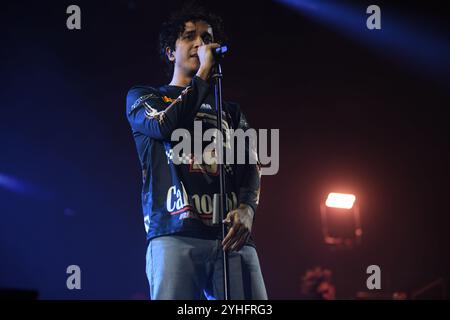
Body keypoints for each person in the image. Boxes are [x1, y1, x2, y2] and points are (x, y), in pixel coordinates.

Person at [125, 5, 267, 300]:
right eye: (190, 36)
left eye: (207, 37)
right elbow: (165, 126)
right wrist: (203, 73)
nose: (201, 43)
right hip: (175, 232)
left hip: (230, 238)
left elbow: (251, 164)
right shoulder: (145, 97)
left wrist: (247, 209)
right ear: (170, 52)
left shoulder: (230, 112)